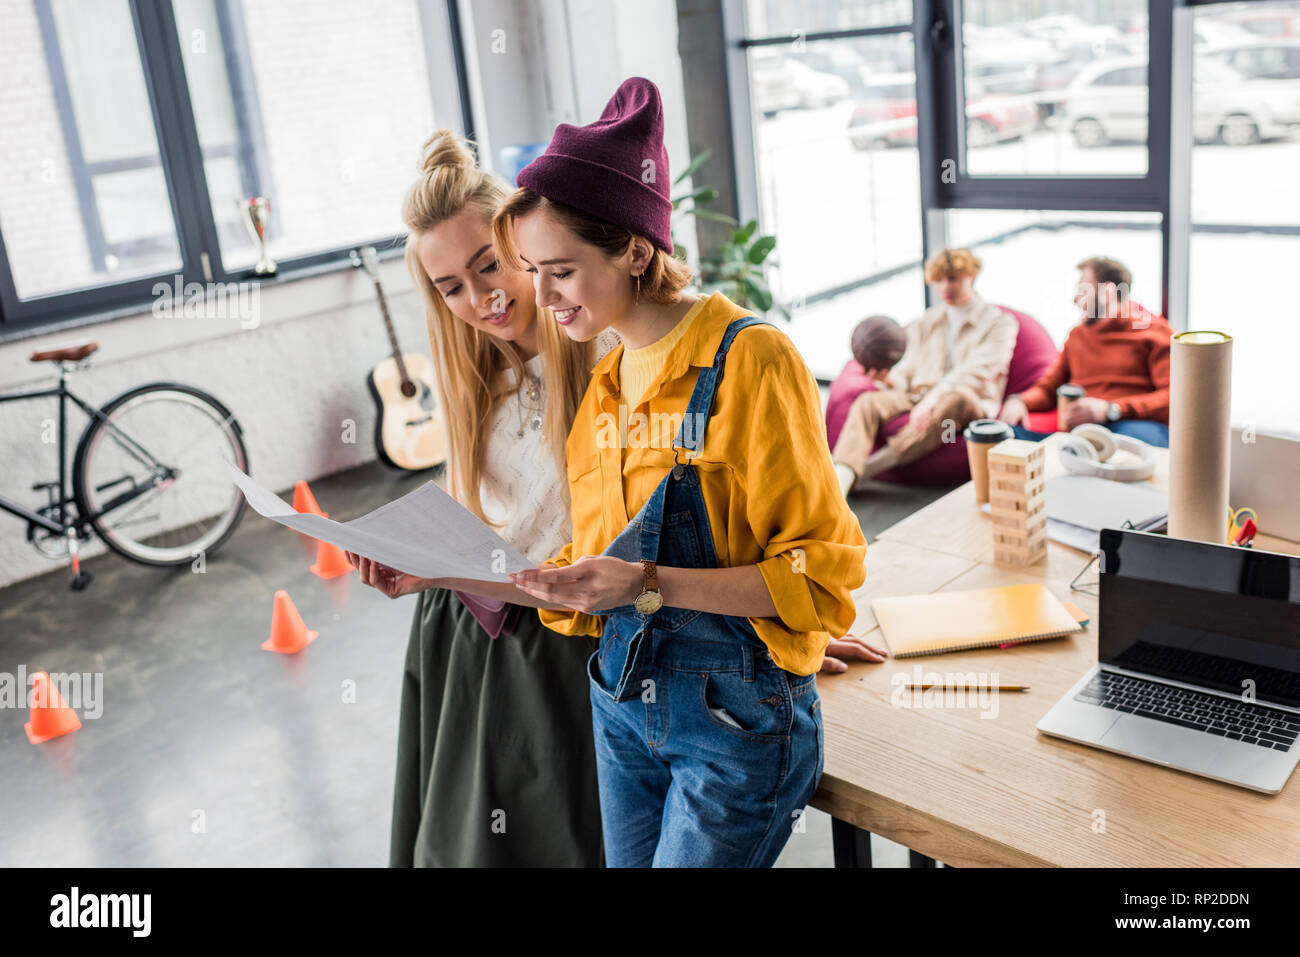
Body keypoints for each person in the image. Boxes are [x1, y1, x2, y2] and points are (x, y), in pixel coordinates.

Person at [491, 77, 879, 867]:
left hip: (732, 730)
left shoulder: (747, 360)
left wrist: (644, 582)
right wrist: (434, 574)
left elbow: (818, 580)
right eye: (532, 270)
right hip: (620, 709)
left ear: (635, 247)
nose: (541, 295)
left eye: (559, 269)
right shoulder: (605, 384)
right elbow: (592, 581)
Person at [346, 130, 616, 867]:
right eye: (450, 287)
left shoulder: (610, 359)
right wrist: (407, 550)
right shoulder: (476, 381)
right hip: (461, 636)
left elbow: (666, 525)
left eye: (488, 265)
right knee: (462, 842)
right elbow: (485, 505)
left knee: (560, 836)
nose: (479, 298)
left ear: (525, 247)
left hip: (562, 649)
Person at [831, 248, 1018, 496]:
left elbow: (979, 370)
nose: (945, 287)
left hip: (967, 401)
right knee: (868, 402)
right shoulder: (928, 321)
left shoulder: (1000, 322)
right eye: (939, 279)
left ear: (971, 276)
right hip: (919, 395)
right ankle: (840, 479)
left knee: (955, 400)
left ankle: (865, 470)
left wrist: (935, 397)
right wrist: (889, 379)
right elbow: (908, 369)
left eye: (953, 278)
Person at [998, 256, 1171, 448]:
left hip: (1134, 425)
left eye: (1082, 290)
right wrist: (1019, 401)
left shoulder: (1155, 333)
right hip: (1082, 434)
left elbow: (1173, 396)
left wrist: (1112, 409)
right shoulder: (1077, 336)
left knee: (1121, 446)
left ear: (1108, 292)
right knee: (1001, 436)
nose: (1074, 299)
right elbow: (1048, 389)